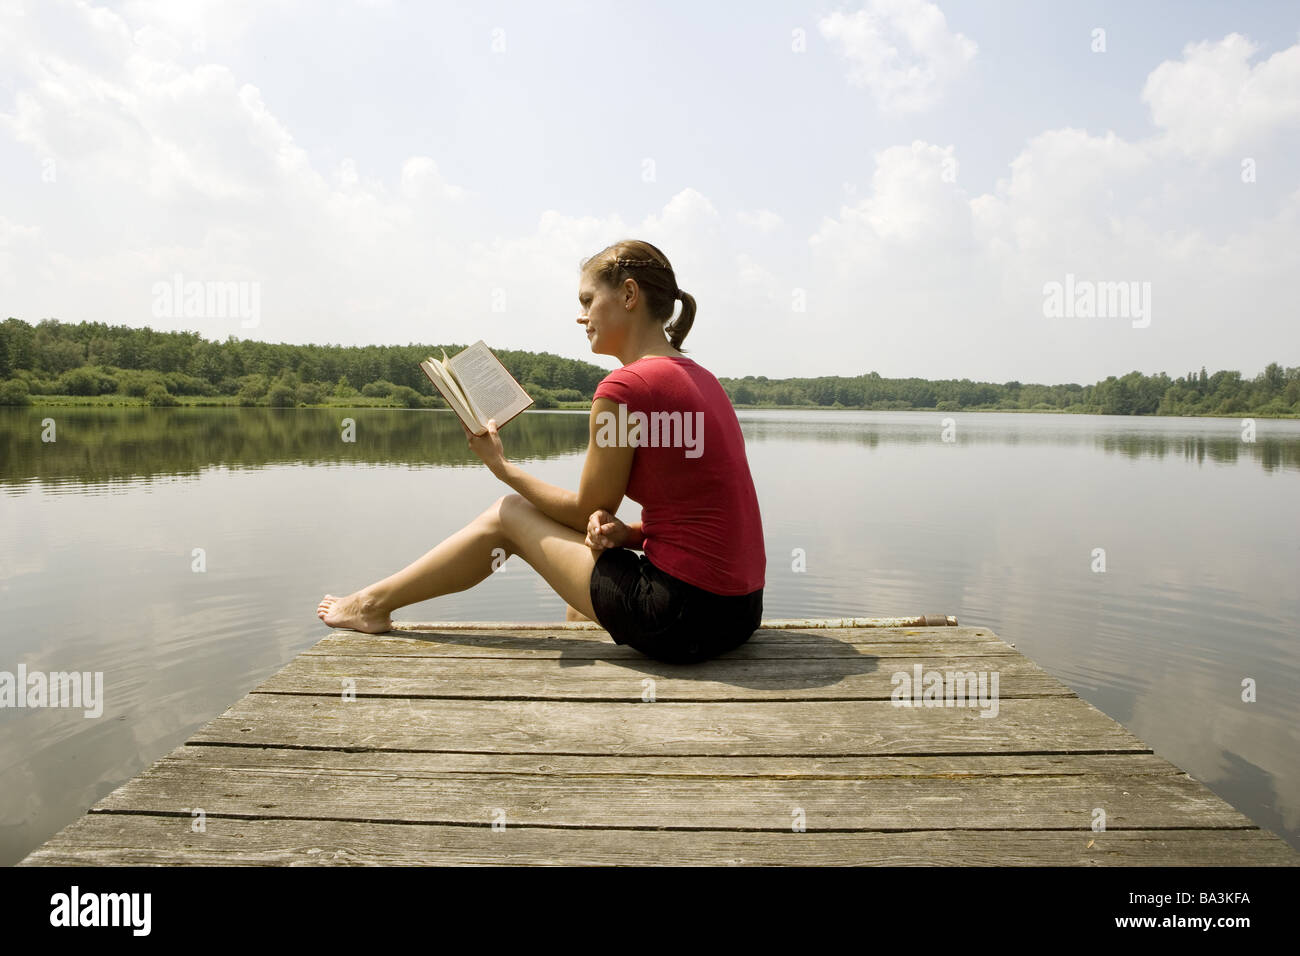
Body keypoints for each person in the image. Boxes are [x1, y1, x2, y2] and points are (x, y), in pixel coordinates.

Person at [317, 239, 765, 664]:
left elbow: (587, 509)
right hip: (739, 613)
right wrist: (627, 535)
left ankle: (371, 605)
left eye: (588, 301)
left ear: (629, 295)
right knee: (580, 597)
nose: (581, 316)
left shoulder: (625, 388)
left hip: (680, 616)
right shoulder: (702, 379)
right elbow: (699, 508)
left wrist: (501, 466)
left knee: (508, 514)